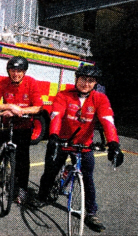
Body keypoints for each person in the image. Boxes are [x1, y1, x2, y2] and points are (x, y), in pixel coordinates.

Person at [30, 65, 124, 232]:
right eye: (82, 79)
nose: (86, 84)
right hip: (62, 142)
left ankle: (91, 213)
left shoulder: (100, 99)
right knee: (50, 171)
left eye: (90, 81)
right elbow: (57, 116)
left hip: (84, 145)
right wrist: (53, 137)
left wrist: (114, 144)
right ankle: (42, 196)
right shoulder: (63, 95)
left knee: (88, 179)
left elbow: (107, 121)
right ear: (76, 79)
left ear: (95, 83)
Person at [0, 56, 43, 204]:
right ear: (8, 71)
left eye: (19, 71)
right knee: (0, 147)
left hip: (24, 126)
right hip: (7, 124)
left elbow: (38, 107)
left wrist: (19, 110)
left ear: (24, 72)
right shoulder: (3, 82)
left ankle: (22, 189)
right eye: (13, 70)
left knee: (22, 160)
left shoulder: (31, 83)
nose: (16, 74)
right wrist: (9, 107)